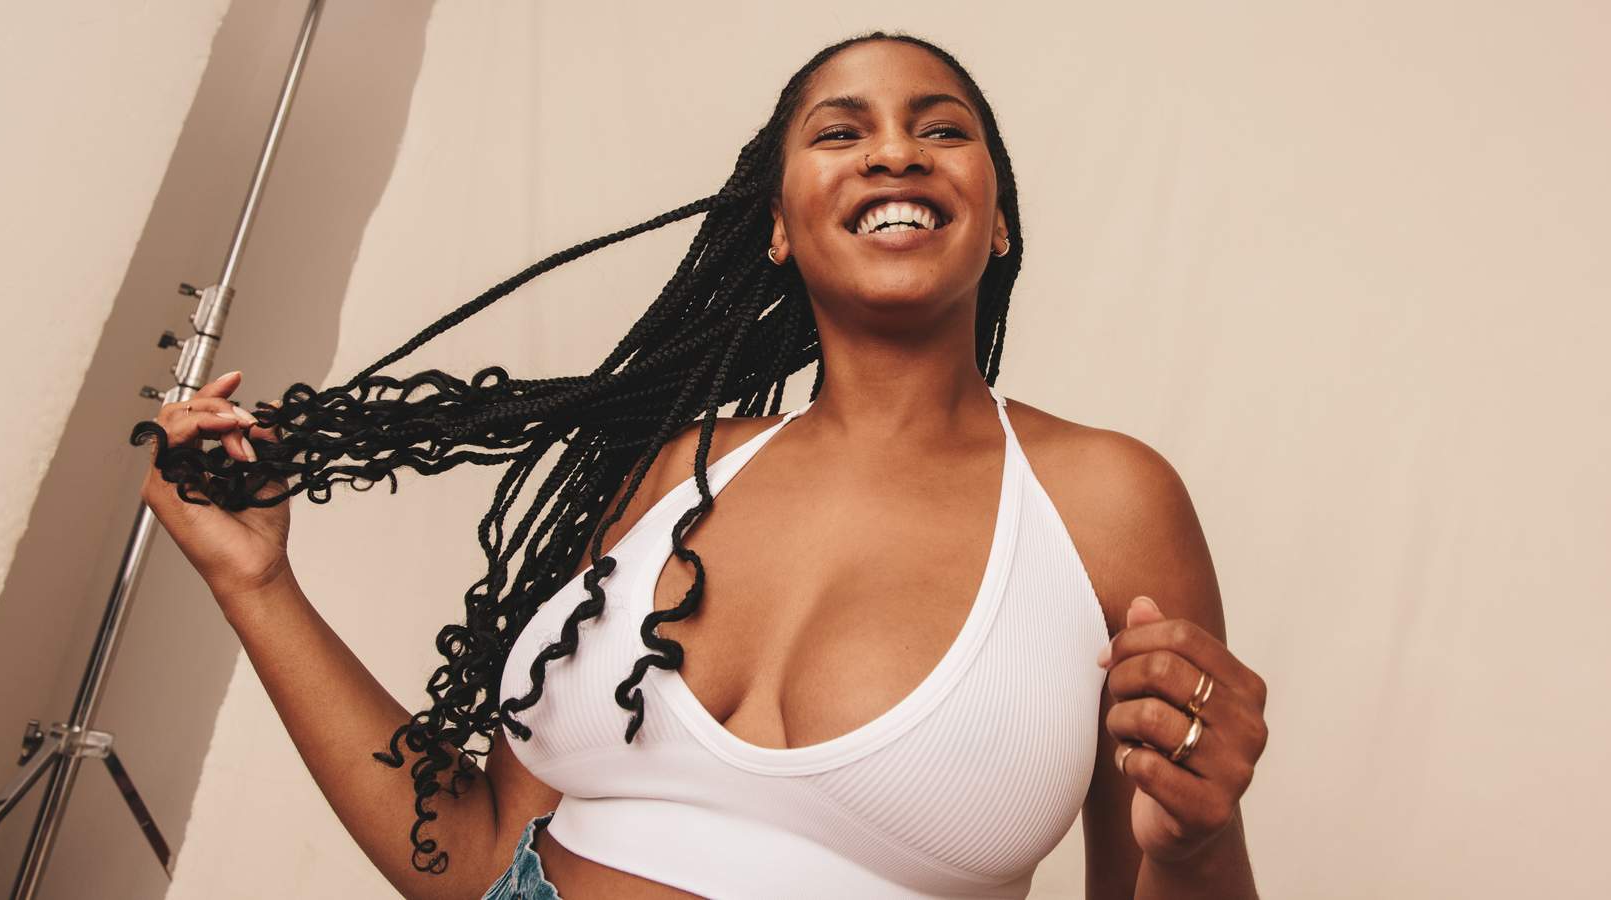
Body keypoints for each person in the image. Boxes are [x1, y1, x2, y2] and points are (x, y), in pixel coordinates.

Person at [135, 31, 1268, 900]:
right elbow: (475, 853)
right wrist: (257, 583)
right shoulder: (672, 474)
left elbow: (1159, 865)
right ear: (775, 226)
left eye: (940, 128)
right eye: (839, 132)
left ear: (1000, 223)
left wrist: (1203, 841)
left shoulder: (1107, 501)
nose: (891, 150)